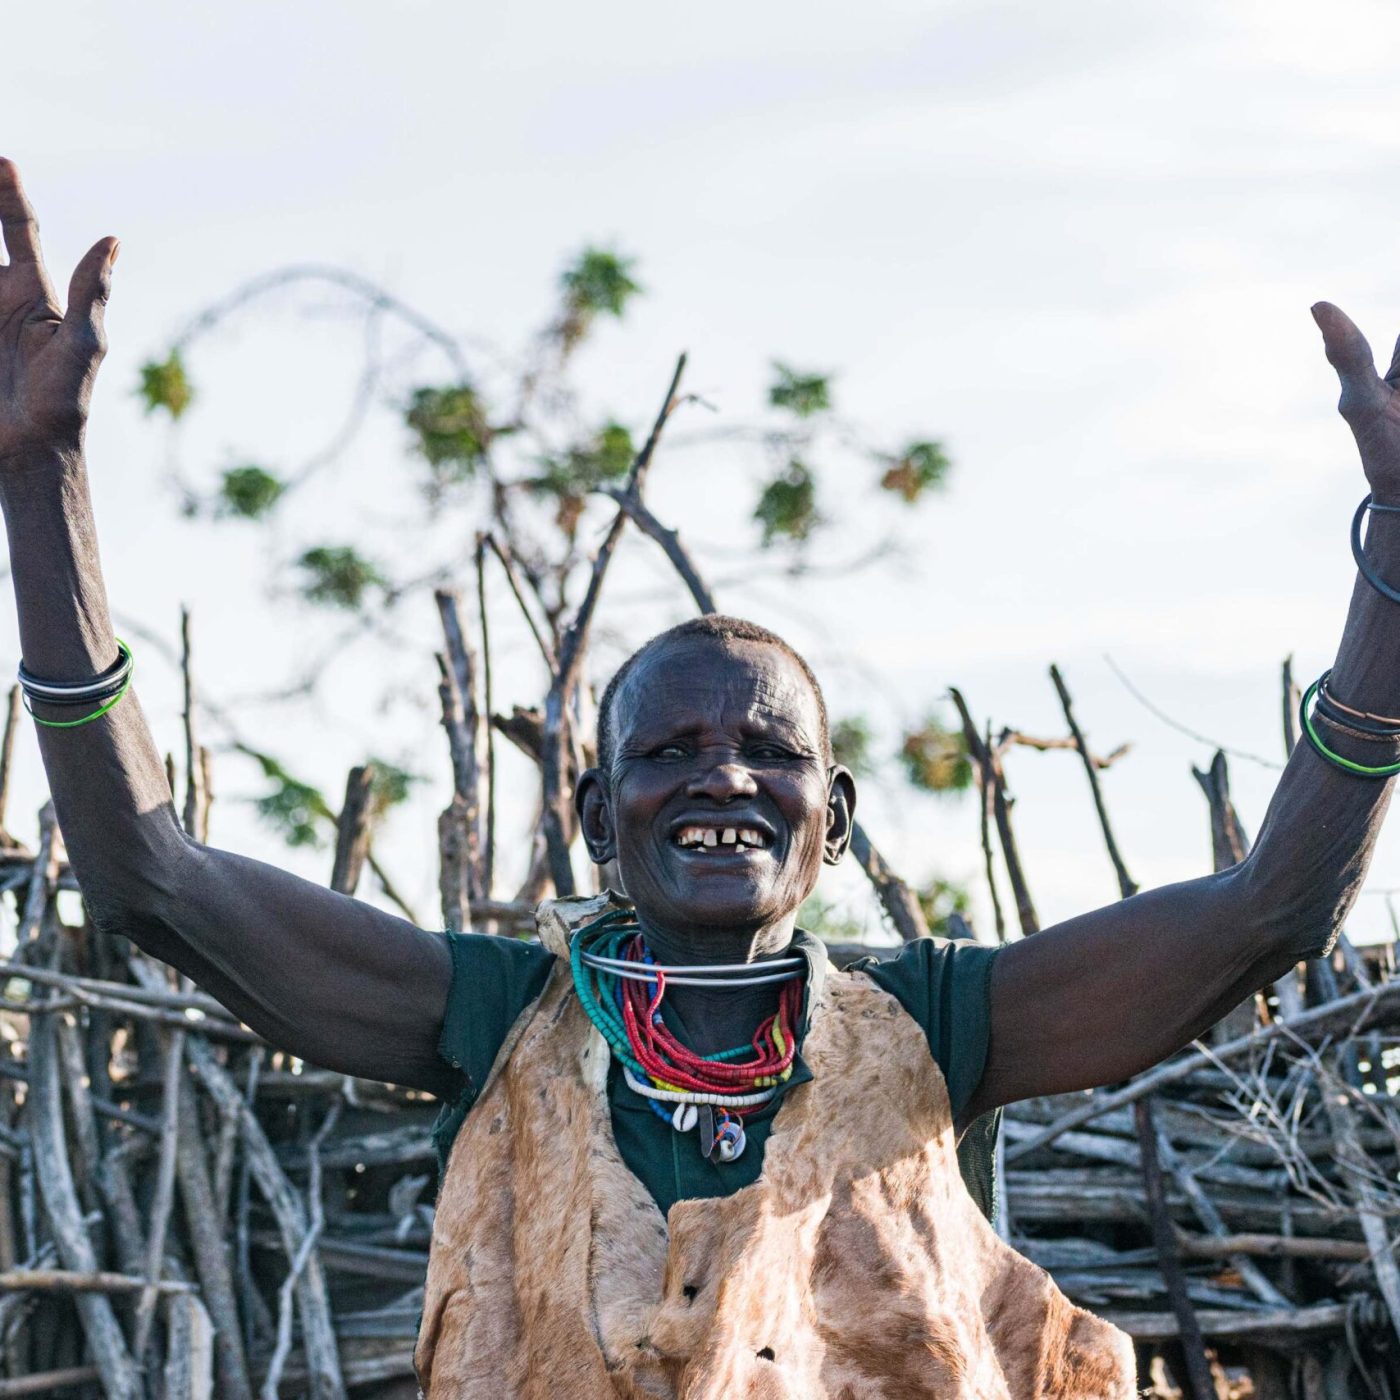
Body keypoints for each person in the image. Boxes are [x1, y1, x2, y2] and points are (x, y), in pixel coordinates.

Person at [3, 157, 1399, 1397]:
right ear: (599, 816)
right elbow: (150, 878)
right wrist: (44, 481)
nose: (722, 777)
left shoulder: (943, 1031)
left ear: (833, 819)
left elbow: (1270, 913)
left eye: (771, 751)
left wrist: (1393, 555)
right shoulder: (495, 1021)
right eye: (667, 753)